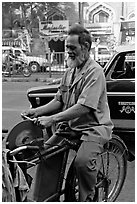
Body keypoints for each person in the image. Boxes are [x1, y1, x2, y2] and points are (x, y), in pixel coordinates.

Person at [22, 23, 113, 202]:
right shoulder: (70, 71)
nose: (68, 52)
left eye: (72, 47)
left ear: (85, 47)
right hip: (71, 126)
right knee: (46, 154)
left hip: (93, 128)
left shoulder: (95, 72)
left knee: (82, 163)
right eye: (67, 48)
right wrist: (36, 112)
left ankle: (87, 198)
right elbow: (58, 100)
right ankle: (46, 198)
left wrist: (52, 119)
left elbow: (84, 107)